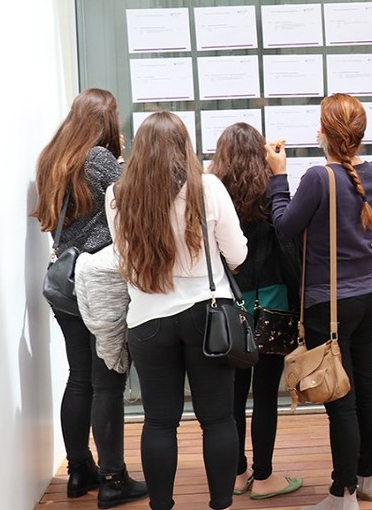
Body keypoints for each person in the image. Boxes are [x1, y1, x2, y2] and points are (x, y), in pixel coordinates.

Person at [107, 111, 248, 510]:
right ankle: (220, 503)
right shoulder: (208, 187)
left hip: (148, 316)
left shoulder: (118, 194)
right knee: (217, 419)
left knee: (158, 421)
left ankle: (161, 505)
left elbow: (123, 257)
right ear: (184, 146)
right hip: (209, 314)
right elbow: (237, 254)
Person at [266, 93, 372, 510]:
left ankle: (343, 494)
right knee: (366, 387)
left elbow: (284, 226)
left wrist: (278, 177)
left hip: (328, 304)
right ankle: (368, 478)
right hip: (368, 295)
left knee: (340, 400)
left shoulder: (319, 177)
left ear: (326, 134)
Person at [32, 88, 148, 507]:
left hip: (63, 281)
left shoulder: (52, 158)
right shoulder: (98, 158)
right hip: (98, 281)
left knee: (80, 377)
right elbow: (130, 202)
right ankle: (115, 478)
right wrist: (124, 162)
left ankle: (80, 469)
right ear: (105, 120)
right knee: (108, 381)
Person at [209, 123, 303, 500]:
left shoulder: (215, 194)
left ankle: (236, 473)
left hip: (231, 307)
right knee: (265, 396)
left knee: (232, 396)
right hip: (273, 305)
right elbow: (289, 249)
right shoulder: (270, 194)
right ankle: (264, 477)